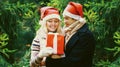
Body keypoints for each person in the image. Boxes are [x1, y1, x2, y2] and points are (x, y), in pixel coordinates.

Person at [45, 2, 95, 67]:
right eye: (64, 18)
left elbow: (74, 61)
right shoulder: (67, 31)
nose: (64, 21)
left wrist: (50, 62)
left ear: (75, 19)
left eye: (67, 18)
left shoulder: (85, 35)